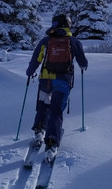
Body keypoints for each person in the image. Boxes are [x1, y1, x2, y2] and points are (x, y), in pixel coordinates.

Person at [26, 13, 88, 161]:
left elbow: (36, 60)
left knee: (43, 105)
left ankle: (40, 131)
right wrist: (82, 65)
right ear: (68, 25)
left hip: (45, 80)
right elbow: (83, 63)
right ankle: (52, 142)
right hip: (63, 81)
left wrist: (29, 72)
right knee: (56, 111)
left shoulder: (46, 41)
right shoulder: (73, 41)